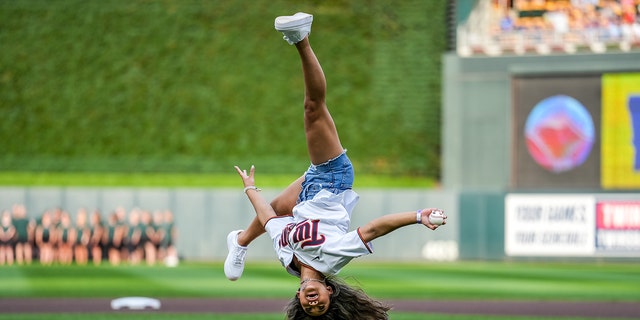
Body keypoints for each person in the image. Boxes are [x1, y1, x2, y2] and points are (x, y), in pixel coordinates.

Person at [225, 12, 447, 319]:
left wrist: (250, 190)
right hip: (333, 179)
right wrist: (418, 216)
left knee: (276, 205)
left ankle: (238, 241)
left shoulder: (286, 257)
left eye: (309, 308)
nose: (313, 303)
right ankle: (300, 38)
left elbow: (269, 220)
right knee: (313, 109)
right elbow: (372, 229)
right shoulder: (332, 260)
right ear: (331, 292)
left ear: (298, 299)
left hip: (307, 193)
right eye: (321, 306)